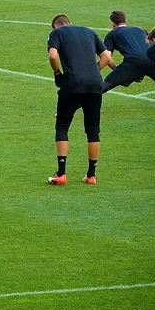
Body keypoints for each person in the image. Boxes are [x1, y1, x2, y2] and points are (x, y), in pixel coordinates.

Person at [47, 14, 111, 185]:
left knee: (62, 125)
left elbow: (53, 56)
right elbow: (106, 57)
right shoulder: (89, 31)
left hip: (72, 84)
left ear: (56, 26)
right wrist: (93, 71)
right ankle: (91, 175)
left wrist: (57, 73)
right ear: (70, 22)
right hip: (95, 85)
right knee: (93, 129)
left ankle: (61, 173)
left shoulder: (57, 33)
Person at [99, 11, 155, 93]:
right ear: (126, 21)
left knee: (101, 88)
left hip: (132, 63)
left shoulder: (112, 34)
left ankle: (85, 98)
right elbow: (152, 46)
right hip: (152, 59)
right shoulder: (140, 30)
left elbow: (107, 57)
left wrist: (119, 70)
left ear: (112, 23)